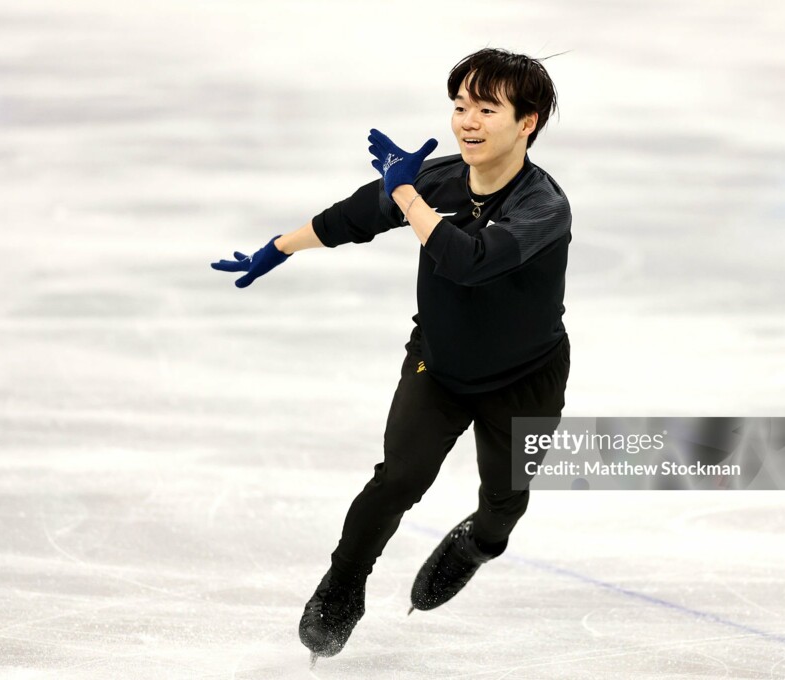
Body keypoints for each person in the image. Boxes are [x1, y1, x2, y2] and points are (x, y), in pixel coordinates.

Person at [212, 47, 571, 663]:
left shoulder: (542, 207)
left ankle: (479, 545)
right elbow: (355, 216)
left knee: (503, 503)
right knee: (397, 478)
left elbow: (467, 262)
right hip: (439, 365)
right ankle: (342, 586)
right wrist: (280, 247)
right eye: (460, 106)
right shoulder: (437, 182)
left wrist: (404, 191)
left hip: (526, 378)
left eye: (488, 109)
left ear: (527, 123)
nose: (468, 122)